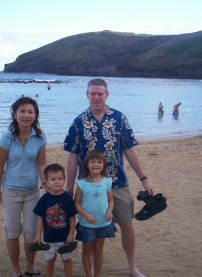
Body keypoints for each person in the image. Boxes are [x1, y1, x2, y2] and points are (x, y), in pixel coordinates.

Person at [64, 78, 153, 277]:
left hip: (117, 182)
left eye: (100, 93)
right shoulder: (78, 122)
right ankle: (95, 269)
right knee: (93, 228)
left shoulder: (119, 118)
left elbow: (129, 150)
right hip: (88, 185)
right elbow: (72, 156)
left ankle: (132, 267)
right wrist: (69, 187)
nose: (96, 97)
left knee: (126, 223)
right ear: (87, 95)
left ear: (107, 94)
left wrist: (143, 178)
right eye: (92, 93)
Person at [0, 97, 47, 277]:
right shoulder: (7, 137)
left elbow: (41, 164)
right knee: (13, 232)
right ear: (15, 115)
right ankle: (16, 270)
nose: (26, 115)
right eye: (22, 111)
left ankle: (30, 267)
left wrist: (45, 184)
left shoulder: (39, 137)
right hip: (10, 193)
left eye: (30, 111)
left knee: (31, 233)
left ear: (35, 115)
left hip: (32, 192)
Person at [74, 149, 116, 277]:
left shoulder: (107, 181)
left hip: (103, 223)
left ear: (103, 164)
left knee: (99, 251)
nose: (96, 164)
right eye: (93, 162)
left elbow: (110, 200)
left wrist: (110, 212)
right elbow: (76, 203)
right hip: (87, 224)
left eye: (99, 162)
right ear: (87, 164)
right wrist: (86, 215)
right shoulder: (82, 183)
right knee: (86, 252)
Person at [33, 163, 77, 277]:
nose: (57, 182)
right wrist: (38, 235)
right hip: (49, 238)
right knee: (50, 261)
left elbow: (73, 216)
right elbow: (40, 217)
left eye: (60, 179)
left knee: (67, 260)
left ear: (64, 180)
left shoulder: (67, 198)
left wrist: (71, 233)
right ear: (46, 182)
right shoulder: (44, 199)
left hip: (65, 238)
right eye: (53, 179)